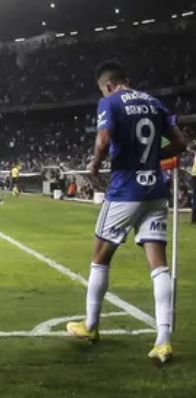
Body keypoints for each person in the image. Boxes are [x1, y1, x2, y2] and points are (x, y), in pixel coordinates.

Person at [67, 60, 186, 364]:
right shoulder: (154, 102)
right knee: (158, 265)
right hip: (155, 191)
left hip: (124, 192)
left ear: (107, 85)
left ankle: (91, 326)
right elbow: (180, 143)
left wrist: (94, 164)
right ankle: (163, 340)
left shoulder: (110, 102)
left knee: (99, 258)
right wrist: (152, 157)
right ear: (126, 79)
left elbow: (104, 138)